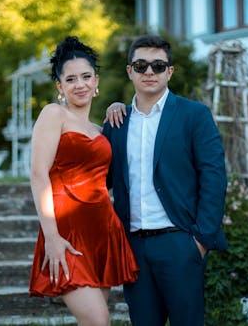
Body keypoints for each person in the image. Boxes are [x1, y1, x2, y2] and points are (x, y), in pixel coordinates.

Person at [102, 34, 228, 326]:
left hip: (180, 243)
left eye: (158, 65)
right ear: (129, 71)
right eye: (141, 65)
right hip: (135, 247)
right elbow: (103, 179)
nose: (149, 72)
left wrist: (200, 240)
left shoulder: (194, 115)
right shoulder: (117, 122)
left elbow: (214, 177)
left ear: (170, 71)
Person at [29, 36, 139, 326]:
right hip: (67, 233)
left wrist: (118, 105)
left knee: (93, 322)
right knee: (99, 320)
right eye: (71, 78)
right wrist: (51, 236)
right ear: (60, 86)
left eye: (86, 76)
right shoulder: (54, 115)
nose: (80, 84)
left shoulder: (99, 128)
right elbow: (39, 174)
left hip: (102, 232)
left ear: (96, 80)